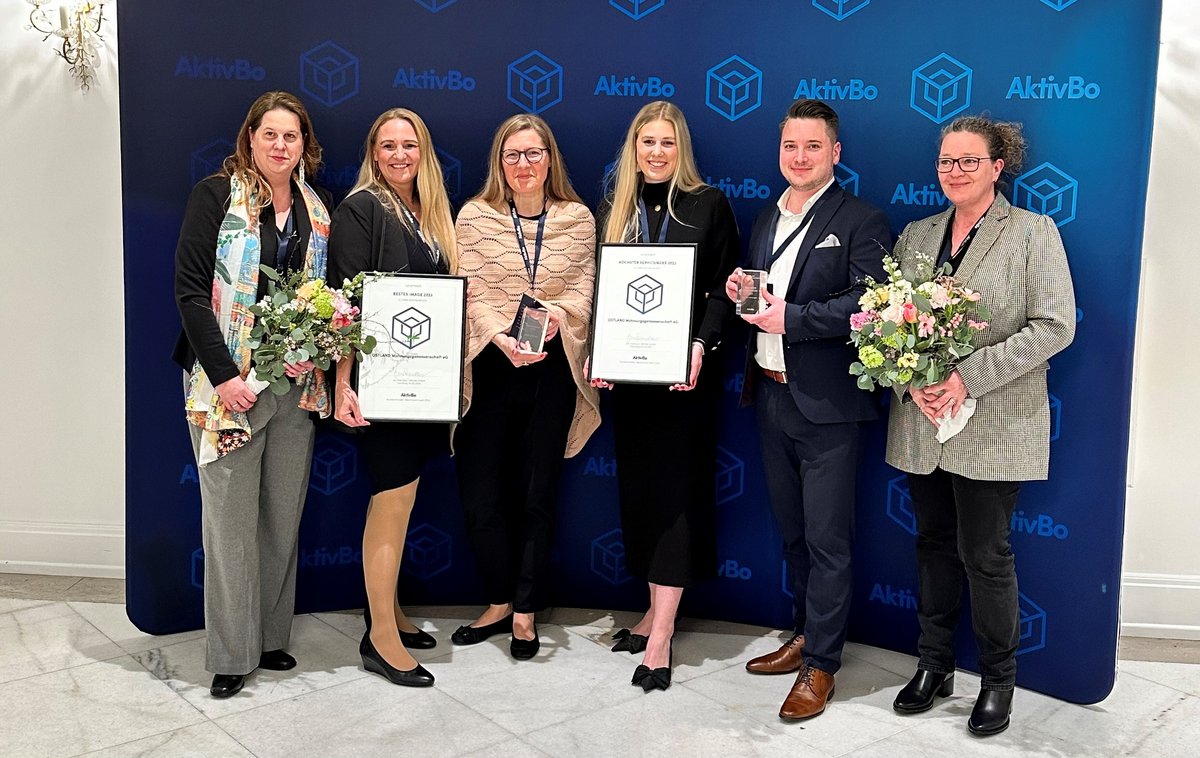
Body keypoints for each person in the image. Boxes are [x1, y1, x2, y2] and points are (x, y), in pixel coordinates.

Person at [886, 116, 1075, 736]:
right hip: (923, 421)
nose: (955, 171)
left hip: (994, 426)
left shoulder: (1032, 232)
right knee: (932, 545)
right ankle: (934, 664)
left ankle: (998, 682)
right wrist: (908, 377)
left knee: (985, 555)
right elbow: (889, 321)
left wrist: (968, 377)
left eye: (969, 160)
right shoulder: (917, 235)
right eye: (947, 161)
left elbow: (1055, 325)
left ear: (998, 167)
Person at [723, 99, 890, 719]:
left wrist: (791, 318)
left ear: (835, 153)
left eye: (812, 146)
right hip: (770, 394)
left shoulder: (862, 219)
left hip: (829, 407)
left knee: (827, 541)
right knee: (793, 534)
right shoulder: (767, 214)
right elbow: (762, 293)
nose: (799, 157)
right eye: (790, 146)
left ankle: (822, 664)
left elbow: (868, 305)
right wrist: (742, 292)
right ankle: (803, 635)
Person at [172, 91, 333, 699]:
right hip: (228, 387)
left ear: (304, 145)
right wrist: (225, 376)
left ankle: (268, 638)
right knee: (230, 524)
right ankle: (232, 654)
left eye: (291, 136)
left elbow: (320, 296)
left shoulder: (318, 209)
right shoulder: (215, 196)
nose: (280, 145)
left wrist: (311, 350)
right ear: (250, 138)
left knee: (279, 517)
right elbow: (190, 292)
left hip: (292, 385)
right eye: (270, 134)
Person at [591, 101, 739, 692]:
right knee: (641, 496)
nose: (656, 152)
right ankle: (651, 612)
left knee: (676, 500)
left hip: (684, 383)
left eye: (667, 143)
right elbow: (602, 292)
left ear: (682, 150)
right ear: (634, 149)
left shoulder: (709, 204)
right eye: (647, 142)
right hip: (630, 383)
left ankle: (661, 637)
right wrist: (598, 351)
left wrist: (701, 344)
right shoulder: (616, 210)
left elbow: (722, 290)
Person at [451, 114, 600, 660]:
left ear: (550, 158)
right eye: (512, 155)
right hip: (489, 367)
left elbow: (586, 290)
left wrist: (557, 315)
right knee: (481, 495)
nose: (524, 164)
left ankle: (526, 610)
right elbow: (469, 291)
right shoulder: (475, 216)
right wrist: (500, 337)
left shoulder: (577, 219)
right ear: (499, 162)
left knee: (538, 493)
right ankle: (497, 599)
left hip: (552, 372)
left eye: (534, 153)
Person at [327, 108, 458, 687]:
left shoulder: (430, 213)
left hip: (421, 388)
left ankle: (390, 613)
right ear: (373, 153)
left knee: (402, 500)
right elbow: (345, 303)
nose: (399, 155)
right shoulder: (360, 208)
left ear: (423, 151)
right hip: (381, 387)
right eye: (388, 145)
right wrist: (343, 383)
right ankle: (380, 639)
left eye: (409, 144)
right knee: (392, 500)